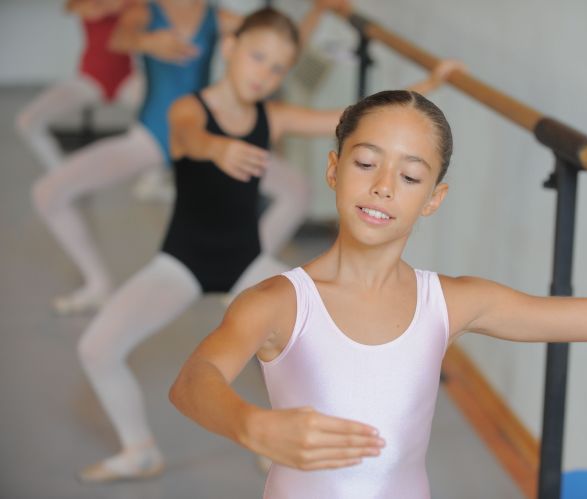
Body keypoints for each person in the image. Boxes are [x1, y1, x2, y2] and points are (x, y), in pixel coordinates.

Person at [169, 89, 587, 498]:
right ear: (333, 169)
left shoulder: (447, 303)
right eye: (366, 162)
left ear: (433, 199)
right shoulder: (280, 302)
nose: (383, 186)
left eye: (409, 176)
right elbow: (193, 381)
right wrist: (253, 425)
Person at [74, 7, 458, 484]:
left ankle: (283, 440)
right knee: (97, 348)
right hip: (182, 262)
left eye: (277, 68)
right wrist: (217, 148)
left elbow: (358, 119)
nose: (264, 75)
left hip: (246, 263)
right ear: (230, 47)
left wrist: (430, 84)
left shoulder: (271, 117)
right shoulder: (188, 109)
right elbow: (191, 137)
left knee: (316, 347)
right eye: (257, 57)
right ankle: (139, 449)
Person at [31, 0, 337, 314]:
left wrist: (319, 11)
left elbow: (280, 42)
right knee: (48, 192)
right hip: (154, 137)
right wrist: (148, 41)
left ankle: (245, 271)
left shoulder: (215, 18)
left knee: (297, 188)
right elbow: (119, 38)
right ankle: (98, 284)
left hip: (212, 141)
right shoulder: (146, 11)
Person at [15, 0, 142, 172]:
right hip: (89, 80)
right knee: (27, 121)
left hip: (126, 80)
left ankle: (152, 177)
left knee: (164, 117)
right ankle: (61, 173)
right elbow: (72, 7)